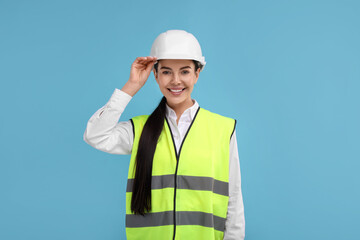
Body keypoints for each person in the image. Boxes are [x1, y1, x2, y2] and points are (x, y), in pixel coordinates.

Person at [83, 29, 245, 240]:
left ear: (197, 73)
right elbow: (95, 135)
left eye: (185, 71)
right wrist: (131, 87)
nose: (176, 80)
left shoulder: (223, 129)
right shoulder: (139, 129)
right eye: (167, 72)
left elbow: (233, 198)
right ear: (155, 75)